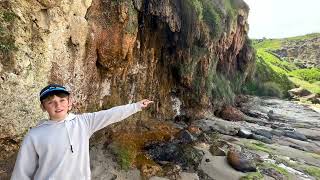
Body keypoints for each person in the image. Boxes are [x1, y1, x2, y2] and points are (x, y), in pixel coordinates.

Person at [11, 84, 153, 180]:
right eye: (50, 102)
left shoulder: (83, 123)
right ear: (43, 107)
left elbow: (111, 114)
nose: (58, 105)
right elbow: (22, 172)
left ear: (70, 102)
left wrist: (136, 106)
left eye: (62, 100)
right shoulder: (34, 135)